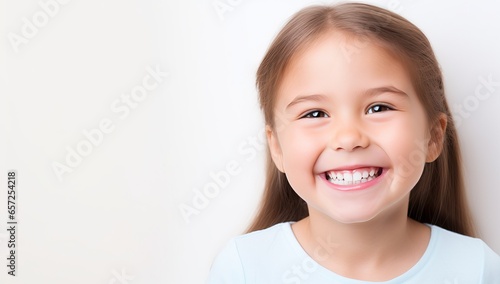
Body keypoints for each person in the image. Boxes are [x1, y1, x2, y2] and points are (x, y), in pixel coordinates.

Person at [206, 2, 500, 283]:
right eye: (315, 113)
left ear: (434, 137)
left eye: (379, 108)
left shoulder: (477, 269)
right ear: (277, 148)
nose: (348, 138)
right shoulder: (243, 268)